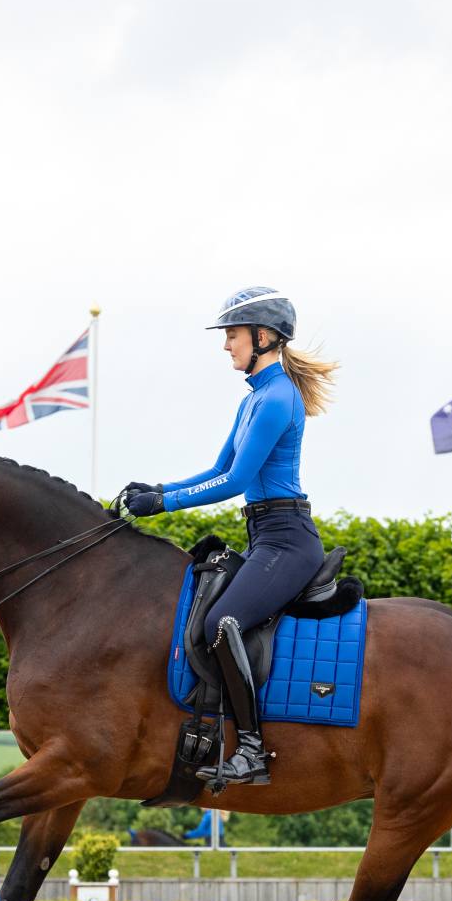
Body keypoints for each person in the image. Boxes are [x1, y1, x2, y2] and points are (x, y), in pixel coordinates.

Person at [125, 287, 338, 785]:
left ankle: (251, 749)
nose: (226, 346)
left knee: (222, 621)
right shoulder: (255, 399)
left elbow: (236, 483)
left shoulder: (278, 397)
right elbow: (219, 467)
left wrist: (163, 504)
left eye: (233, 335)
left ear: (263, 337)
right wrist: (159, 489)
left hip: (287, 540)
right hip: (265, 535)